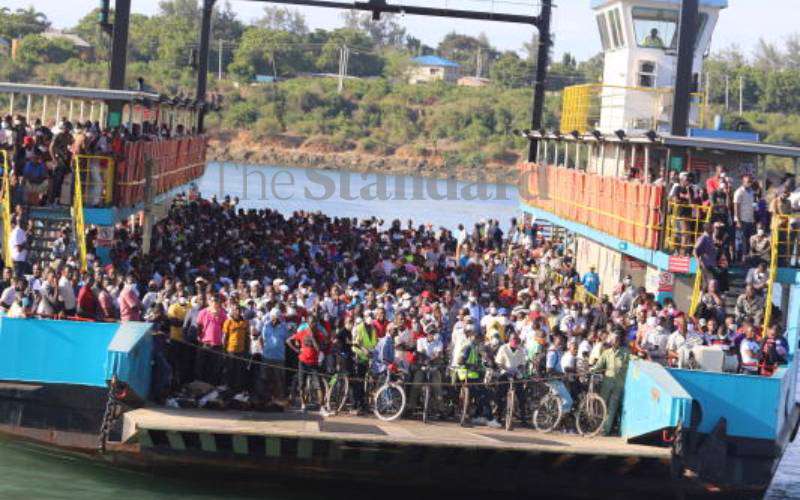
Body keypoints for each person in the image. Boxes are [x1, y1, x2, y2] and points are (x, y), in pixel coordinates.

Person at [592, 332, 630, 436]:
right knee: (602, 405)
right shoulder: (606, 353)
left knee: (612, 407)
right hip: (607, 383)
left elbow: (633, 359)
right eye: (613, 339)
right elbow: (599, 366)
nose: (615, 341)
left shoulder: (625, 352)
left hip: (618, 384)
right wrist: (591, 369)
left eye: (617, 339)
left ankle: (605, 430)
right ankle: (597, 427)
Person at [408, 324, 445, 417]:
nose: (432, 334)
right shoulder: (420, 341)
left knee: (437, 387)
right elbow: (421, 353)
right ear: (426, 333)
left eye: (434, 333)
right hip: (422, 367)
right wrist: (430, 356)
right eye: (430, 333)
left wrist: (433, 357)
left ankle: (441, 410)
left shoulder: (439, 343)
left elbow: (438, 354)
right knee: (416, 384)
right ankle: (410, 407)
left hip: (433, 367)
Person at [195, 293, 228, 385]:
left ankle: (212, 385)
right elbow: (198, 326)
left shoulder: (223, 314)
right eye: (212, 300)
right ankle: (200, 385)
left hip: (217, 345)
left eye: (217, 301)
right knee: (202, 365)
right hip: (205, 343)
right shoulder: (203, 312)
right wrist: (199, 337)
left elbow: (224, 328)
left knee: (214, 367)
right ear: (209, 302)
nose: (214, 303)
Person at [260, 309, 289, 404]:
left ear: (279, 318)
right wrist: (263, 350)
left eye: (276, 318)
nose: (274, 319)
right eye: (272, 317)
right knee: (265, 378)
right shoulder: (266, 326)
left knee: (279, 379)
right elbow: (262, 339)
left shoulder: (284, 327)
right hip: (267, 357)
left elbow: (287, 340)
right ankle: (266, 399)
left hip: (279, 358)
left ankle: (279, 399)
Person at [222, 306, 249, 392]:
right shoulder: (228, 322)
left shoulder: (245, 322)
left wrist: (247, 349)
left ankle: (238, 388)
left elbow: (247, 337)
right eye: (235, 310)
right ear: (233, 312)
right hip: (230, 350)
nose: (237, 312)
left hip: (241, 350)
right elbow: (225, 337)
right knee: (229, 369)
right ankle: (228, 386)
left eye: (239, 310)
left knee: (239, 370)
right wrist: (224, 350)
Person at [733, 175, 756, 262]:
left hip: (750, 219)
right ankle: (741, 259)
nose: (749, 183)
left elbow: (752, 205)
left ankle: (747, 258)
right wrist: (738, 221)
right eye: (748, 182)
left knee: (750, 240)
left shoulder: (751, 191)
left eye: (750, 181)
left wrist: (753, 218)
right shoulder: (739, 192)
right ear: (743, 182)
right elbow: (736, 207)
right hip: (742, 220)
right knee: (742, 240)